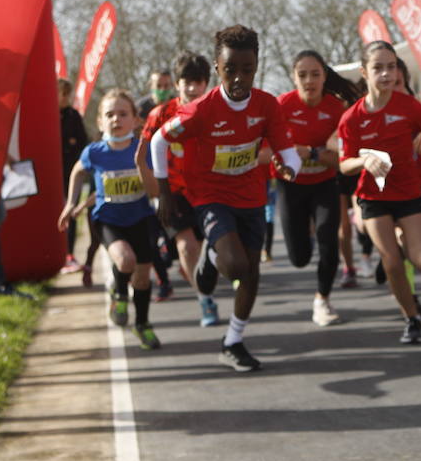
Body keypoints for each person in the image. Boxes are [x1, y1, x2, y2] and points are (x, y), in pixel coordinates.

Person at [150, 25, 299, 371]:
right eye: (230, 69)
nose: (238, 78)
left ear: (256, 67)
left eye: (247, 70)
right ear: (218, 68)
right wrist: (164, 193)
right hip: (210, 196)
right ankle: (212, 255)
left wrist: (290, 167)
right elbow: (159, 141)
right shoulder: (201, 110)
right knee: (234, 265)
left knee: (250, 274)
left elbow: (286, 150)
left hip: (251, 197)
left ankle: (233, 340)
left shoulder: (267, 106)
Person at [341, 41, 421, 343]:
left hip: (408, 194)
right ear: (365, 72)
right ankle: (410, 317)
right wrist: (364, 160)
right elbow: (344, 165)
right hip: (373, 198)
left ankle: (401, 249)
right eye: (378, 68)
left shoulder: (409, 107)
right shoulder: (352, 117)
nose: (386, 74)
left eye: (391, 67)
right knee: (391, 262)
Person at [59, 89, 161, 349]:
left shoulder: (143, 149)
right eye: (109, 115)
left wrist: (141, 166)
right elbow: (78, 172)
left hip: (141, 218)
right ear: (100, 122)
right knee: (125, 260)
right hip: (108, 220)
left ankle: (142, 324)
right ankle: (118, 292)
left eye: (123, 114)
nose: (116, 119)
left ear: (136, 120)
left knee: (142, 276)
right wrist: (71, 203)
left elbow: (154, 192)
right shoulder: (95, 152)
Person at [277, 49, 359, 326]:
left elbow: (341, 160)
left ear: (325, 76)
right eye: (302, 75)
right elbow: (265, 153)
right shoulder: (281, 106)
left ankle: (322, 300)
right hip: (291, 186)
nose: (309, 81)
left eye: (315, 74)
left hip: (325, 183)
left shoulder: (336, 109)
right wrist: (287, 157)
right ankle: (304, 232)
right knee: (299, 258)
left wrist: (311, 153)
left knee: (329, 239)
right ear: (293, 77)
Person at [136, 50, 219, 326]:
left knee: (217, 245)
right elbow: (141, 156)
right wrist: (154, 194)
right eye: (187, 81)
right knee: (186, 246)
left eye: (199, 81)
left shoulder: (215, 111)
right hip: (172, 193)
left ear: (207, 83)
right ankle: (204, 300)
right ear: (177, 84)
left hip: (208, 188)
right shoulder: (161, 114)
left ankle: (201, 273)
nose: (193, 88)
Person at [58, 77, 89, 271]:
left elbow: (82, 143)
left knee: (71, 211)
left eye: (68, 94)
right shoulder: (45, 114)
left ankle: (70, 254)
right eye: (62, 93)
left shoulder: (73, 116)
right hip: (51, 173)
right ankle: (56, 253)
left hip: (71, 173)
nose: (65, 98)